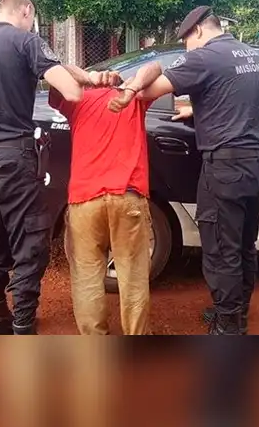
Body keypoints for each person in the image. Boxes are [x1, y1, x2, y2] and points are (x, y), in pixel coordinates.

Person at [0, 0, 108, 335]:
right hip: (15, 156)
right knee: (30, 242)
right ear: (26, 11)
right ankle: (22, 326)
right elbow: (72, 92)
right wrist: (79, 76)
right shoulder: (27, 42)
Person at [114, 6, 259, 335]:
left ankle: (227, 328)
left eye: (186, 40)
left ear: (198, 31)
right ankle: (237, 313)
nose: (186, 47)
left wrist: (126, 89)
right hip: (256, 163)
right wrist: (198, 112)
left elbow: (150, 90)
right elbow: (232, 101)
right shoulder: (249, 54)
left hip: (225, 167)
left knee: (220, 250)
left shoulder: (204, 57)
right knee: (244, 245)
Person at [46, 73, 167, 335]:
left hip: (84, 201)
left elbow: (55, 76)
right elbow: (155, 66)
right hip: (128, 197)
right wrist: (130, 87)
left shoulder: (76, 101)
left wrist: (86, 77)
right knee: (133, 277)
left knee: (87, 277)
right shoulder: (132, 99)